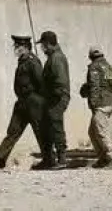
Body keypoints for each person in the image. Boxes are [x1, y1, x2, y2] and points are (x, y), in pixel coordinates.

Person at [0, 35, 45, 169]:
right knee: (13, 130)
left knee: (40, 131)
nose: (16, 49)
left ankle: (49, 159)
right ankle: (0, 158)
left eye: (18, 47)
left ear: (25, 48)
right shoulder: (23, 60)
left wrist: (38, 100)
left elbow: (40, 82)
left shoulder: (32, 61)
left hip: (32, 101)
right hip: (22, 102)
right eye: (16, 46)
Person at [79, 46, 112, 169]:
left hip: (100, 104)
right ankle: (103, 159)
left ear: (91, 56)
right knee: (93, 132)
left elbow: (95, 86)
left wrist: (93, 103)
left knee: (101, 132)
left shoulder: (94, 67)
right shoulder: (107, 67)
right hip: (108, 103)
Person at [35, 30, 70, 170]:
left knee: (56, 126)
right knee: (47, 127)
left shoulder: (56, 58)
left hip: (57, 98)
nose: (42, 48)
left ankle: (62, 159)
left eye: (43, 44)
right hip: (52, 98)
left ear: (49, 44)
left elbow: (60, 81)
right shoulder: (53, 57)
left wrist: (52, 95)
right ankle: (49, 159)